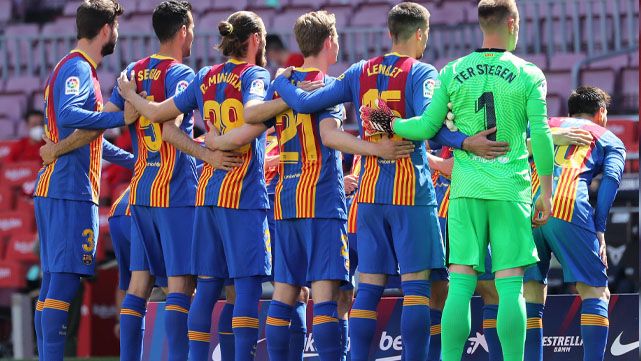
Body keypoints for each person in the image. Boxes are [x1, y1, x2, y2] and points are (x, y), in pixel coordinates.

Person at [272, 3, 512, 360]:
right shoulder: (421, 72)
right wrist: (466, 141)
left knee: (368, 286)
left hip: (368, 194)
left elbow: (307, 103)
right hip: (409, 190)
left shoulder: (359, 71)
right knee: (416, 288)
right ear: (419, 34)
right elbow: (431, 126)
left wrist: (279, 81)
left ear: (389, 34)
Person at [364, 0, 556, 359]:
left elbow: (426, 127)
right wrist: (546, 191)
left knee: (461, 284)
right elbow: (542, 135)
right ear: (512, 23)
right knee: (510, 284)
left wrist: (390, 123)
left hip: (465, 189)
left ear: (481, 24)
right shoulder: (529, 73)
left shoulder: (453, 70)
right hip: (509, 189)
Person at [117, 10, 292, 361]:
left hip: (206, 195)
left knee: (208, 287)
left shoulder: (204, 76)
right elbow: (255, 113)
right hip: (242, 194)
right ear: (255, 40)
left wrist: (130, 96)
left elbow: (161, 121)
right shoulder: (255, 74)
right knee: (245, 287)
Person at [31, 1, 133, 360]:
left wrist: (135, 161)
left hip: (59, 187)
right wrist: (120, 114)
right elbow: (73, 115)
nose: (117, 34)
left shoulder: (74, 68)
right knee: (64, 283)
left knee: (52, 284)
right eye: (115, 28)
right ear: (106, 29)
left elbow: (90, 138)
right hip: (68, 190)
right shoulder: (76, 67)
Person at [523, 86, 625, 361]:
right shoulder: (610, 139)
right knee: (595, 291)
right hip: (568, 205)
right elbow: (611, 182)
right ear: (601, 113)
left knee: (531, 291)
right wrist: (599, 227)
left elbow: (511, 152)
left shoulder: (544, 125)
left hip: (529, 207)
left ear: (569, 112)